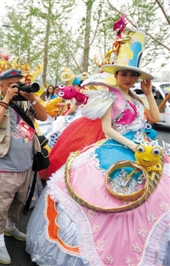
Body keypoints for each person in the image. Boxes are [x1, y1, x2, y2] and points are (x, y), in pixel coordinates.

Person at [26, 22, 170, 265]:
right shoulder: (108, 95)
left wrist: (147, 93)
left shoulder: (135, 98)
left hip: (144, 151)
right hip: (118, 149)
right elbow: (107, 129)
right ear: (116, 75)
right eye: (124, 73)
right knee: (111, 196)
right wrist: (134, 146)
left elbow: (155, 118)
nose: (128, 78)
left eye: (132, 74)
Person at [0, 68, 47, 264]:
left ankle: (11, 227)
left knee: (19, 201)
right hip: (5, 165)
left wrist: (32, 98)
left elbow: (44, 117)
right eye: (12, 84)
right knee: (0, 204)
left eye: (18, 83)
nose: (17, 87)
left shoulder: (25, 103)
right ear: (3, 86)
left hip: (26, 165)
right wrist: (7, 99)